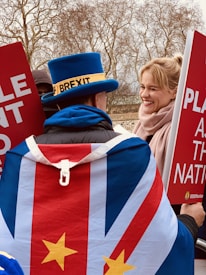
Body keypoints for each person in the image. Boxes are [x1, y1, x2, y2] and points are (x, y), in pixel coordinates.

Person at [0, 52, 205, 274]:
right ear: (98, 98)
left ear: (58, 103)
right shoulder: (132, 152)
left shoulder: (18, 158)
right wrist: (190, 221)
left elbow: (9, 242)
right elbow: (164, 242)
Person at [132, 55, 206, 259]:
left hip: (178, 228)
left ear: (174, 91)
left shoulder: (185, 129)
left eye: (153, 88)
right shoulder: (140, 126)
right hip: (145, 225)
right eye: (142, 86)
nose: (144, 94)